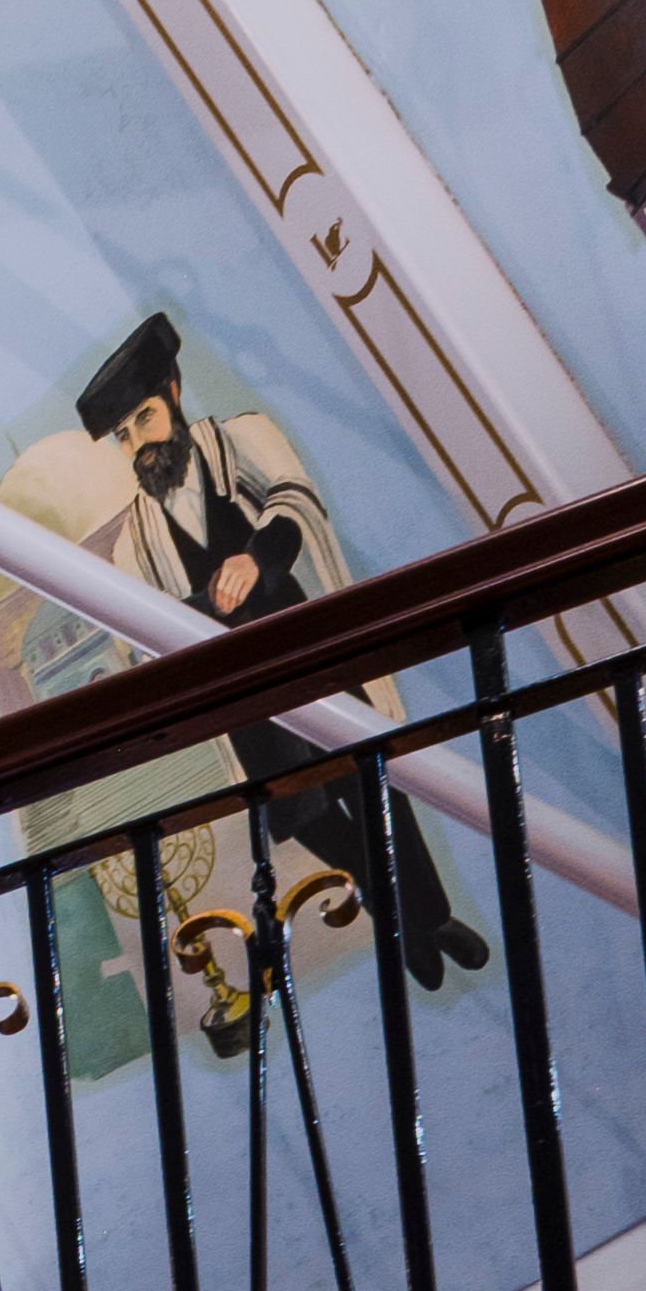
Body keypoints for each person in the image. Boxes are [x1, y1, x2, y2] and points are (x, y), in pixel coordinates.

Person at [67, 311, 484, 986]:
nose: (139, 443)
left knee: (371, 784)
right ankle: (402, 920)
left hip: (307, 658)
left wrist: (255, 559)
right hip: (245, 704)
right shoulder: (133, 541)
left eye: (143, 418)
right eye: (123, 435)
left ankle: (432, 918)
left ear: (172, 392)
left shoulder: (239, 442)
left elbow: (294, 500)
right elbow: (135, 636)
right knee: (311, 818)